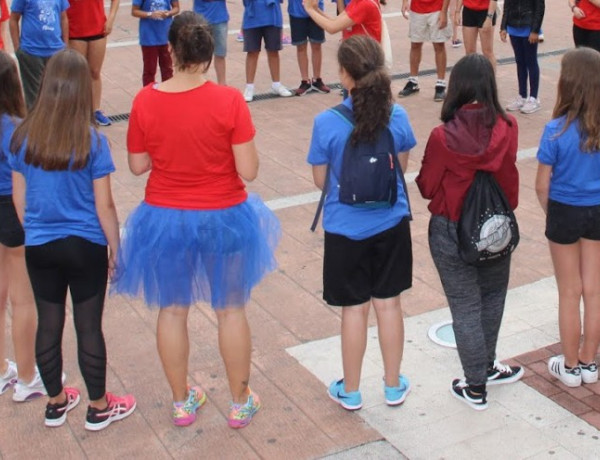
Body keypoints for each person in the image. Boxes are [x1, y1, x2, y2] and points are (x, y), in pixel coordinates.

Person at [112, 12, 280, 429]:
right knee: (230, 309)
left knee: (171, 311)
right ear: (207, 55)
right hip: (223, 214)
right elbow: (250, 169)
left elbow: (136, 165)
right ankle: (240, 400)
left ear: (170, 50)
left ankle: (182, 400)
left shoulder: (145, 100)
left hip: (165, 217)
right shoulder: (229, 101)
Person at [8, 49, 136, 430]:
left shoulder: (23, 137)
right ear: (82, 92)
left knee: (49, 323)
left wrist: (34, 232)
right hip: (85, 245)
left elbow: (19, 198)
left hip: (40, 245)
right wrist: (115, 248)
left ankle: (55, 402)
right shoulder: (93, 142)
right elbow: (105, 206)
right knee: (88, 326)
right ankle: (98, 407)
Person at [307, 35, 415, 411]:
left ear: (344, 75)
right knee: (389, 305)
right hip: (391, 222)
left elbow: (321, 181)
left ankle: (351, 390)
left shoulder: (327, 122)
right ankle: (392, 385)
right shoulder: (397, 116)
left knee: (354, 309)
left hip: (345, 229)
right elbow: (401, 169)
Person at [416, 54, 523, 411]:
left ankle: (475, 384)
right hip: (495, 225)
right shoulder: (508, 126)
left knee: (464, 306)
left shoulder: (442, 135)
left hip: (450, 226)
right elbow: (509, 181)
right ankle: (487, 366)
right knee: (493, 297)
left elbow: (428, 186)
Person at [535, 47, 600, 388]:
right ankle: (590, 360)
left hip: (563, 210)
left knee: (568, 291)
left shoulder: (555, 130)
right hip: (597, 211)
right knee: (594, 289)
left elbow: (541, 185)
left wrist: (553, 214)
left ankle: (570, 365)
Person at [0, 51, 39, 403]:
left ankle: (1, 370)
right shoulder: (16, 129)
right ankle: (28, 377)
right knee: (23, 298)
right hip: (11, 210)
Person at [67, 0, 120, 126]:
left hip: (98, 28)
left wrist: (111, 19)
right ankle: (77, 111)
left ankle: (95, 110)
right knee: (77, 73)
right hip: (75, 29)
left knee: (95, 72)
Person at [9, 0, 69, 109]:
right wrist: (18, 48)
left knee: (56, 93)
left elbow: (63, 17)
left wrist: (65, 45)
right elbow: (13, 19)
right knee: (34, 98)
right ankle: (35, 124)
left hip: (56, 51)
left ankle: (53, 123)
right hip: (31, 52)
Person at [398, 0, 452, 102]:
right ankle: (413, 81)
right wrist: (404, 2)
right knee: (415, 44)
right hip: (417, 9)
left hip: (437, 8)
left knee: (439, 44)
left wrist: (444, 11)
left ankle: (441, 83)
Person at [241, 0, 293, 102]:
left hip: (272, 16)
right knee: (252, 52)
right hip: (252, 17)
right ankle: (249, 87)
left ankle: (276, 84)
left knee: (273, 51)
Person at [500, 0, 544, 114]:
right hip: (513, 27)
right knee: (520, 62)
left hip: (528, 27)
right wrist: (503, 27)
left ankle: (534, 98)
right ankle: (522, 96)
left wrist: (535, 30)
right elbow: (507, 6)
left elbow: (540, 8)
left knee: (531, 61)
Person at [132, 0, 179, 87]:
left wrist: (168, 13)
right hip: (149, 37)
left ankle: (168, 92)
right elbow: (134, 11)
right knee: (149, 69)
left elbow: (176, 8)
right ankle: (148, 94)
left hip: (165, 35)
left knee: (167, 69)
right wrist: (150, 14)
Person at [288, 0, 330, 96]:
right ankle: (305, 81)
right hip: (296, 12)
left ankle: (317, 79)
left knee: (316, 45)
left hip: (316, 10)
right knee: (301, 46)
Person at [303, 0, 383, 43]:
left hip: (364, 56)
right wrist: (316, 9)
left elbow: (332, 28)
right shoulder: (357, 1)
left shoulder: (365, 4)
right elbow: (335, 21)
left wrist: (310, 9)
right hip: (357, 52)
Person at [454, 0, 497, 70]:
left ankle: (491, 79)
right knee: (469, 52)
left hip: (486, 11)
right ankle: (472, 78)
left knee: (487, 52)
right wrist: (457, 11)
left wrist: (489, 18)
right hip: (468, 10)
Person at [193, 0, 228, 85]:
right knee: (200, 55)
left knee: (220, 54)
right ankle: (198, 83)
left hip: (219, 18)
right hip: (200, 19)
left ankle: (222, 84)